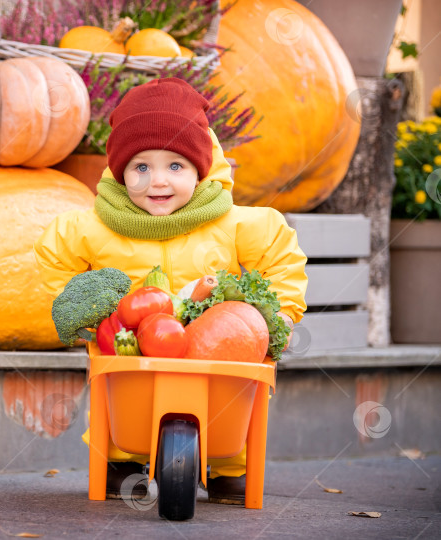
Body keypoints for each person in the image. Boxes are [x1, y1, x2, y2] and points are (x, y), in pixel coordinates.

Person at [33, 77, 307, 504]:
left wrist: (283, 314)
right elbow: (55, 254)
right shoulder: (95, 226)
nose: (156, 182)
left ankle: (228, 463)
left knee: (232, 392)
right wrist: (87, 313)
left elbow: (280, 256)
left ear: (201, 168)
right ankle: (120, 457)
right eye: (141, 167)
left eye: (175, 166)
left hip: (217, 344)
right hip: (134, 344)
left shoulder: (235, 223)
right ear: (120, 171)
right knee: (122, 389)